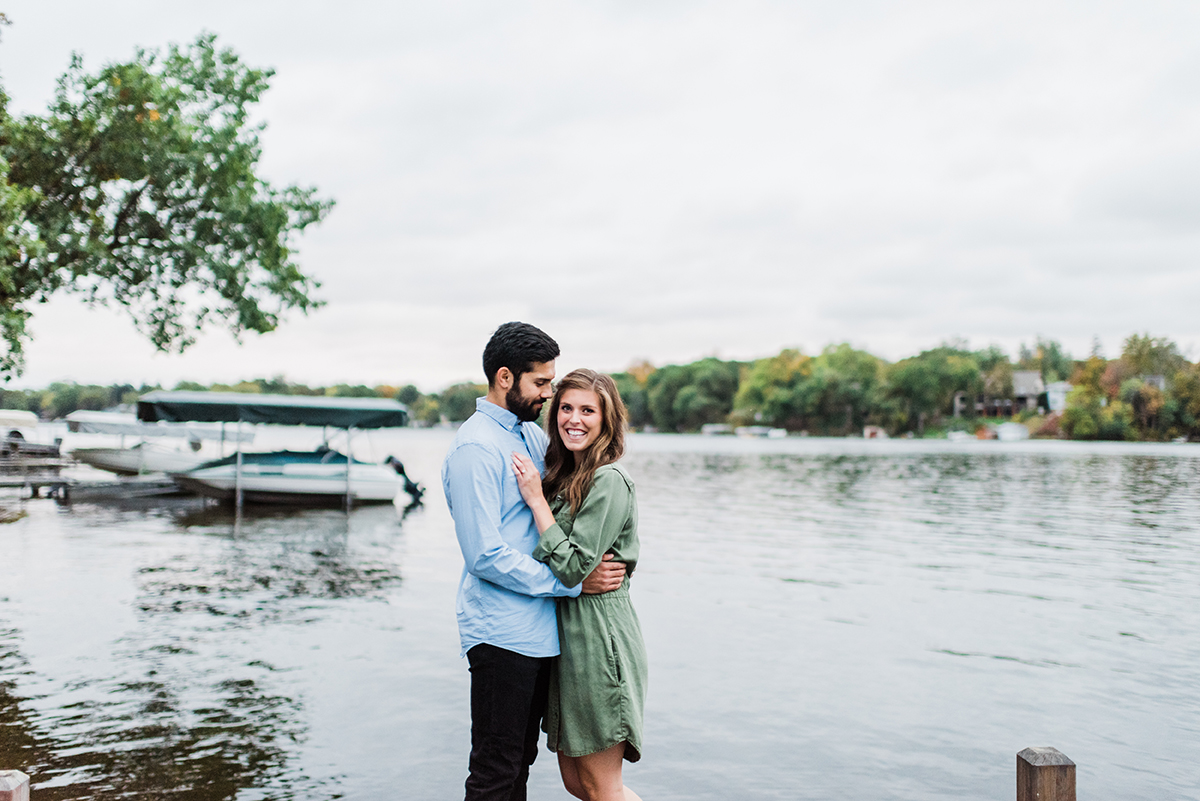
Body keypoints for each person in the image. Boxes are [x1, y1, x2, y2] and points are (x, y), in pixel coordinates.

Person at [443, 322, 627, 801]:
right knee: (495, 771)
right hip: (501, 633)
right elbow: (485, 555)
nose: (549, 392)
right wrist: (570, 584)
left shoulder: (525, 435)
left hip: (539, 632)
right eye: (541, 383)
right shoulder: (475, 448)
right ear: (506, 378)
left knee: (518, 766)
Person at [510, 368, 647, 801]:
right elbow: (560, 566)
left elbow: (570, 568)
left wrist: (535, 501)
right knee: (579, 784)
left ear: (607, 421)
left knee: (602, 788)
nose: (575, 419)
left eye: (588, 410)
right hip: (567, 642)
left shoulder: (608, 480)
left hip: (598, 640)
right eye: (566, 408)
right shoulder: (566, 479)